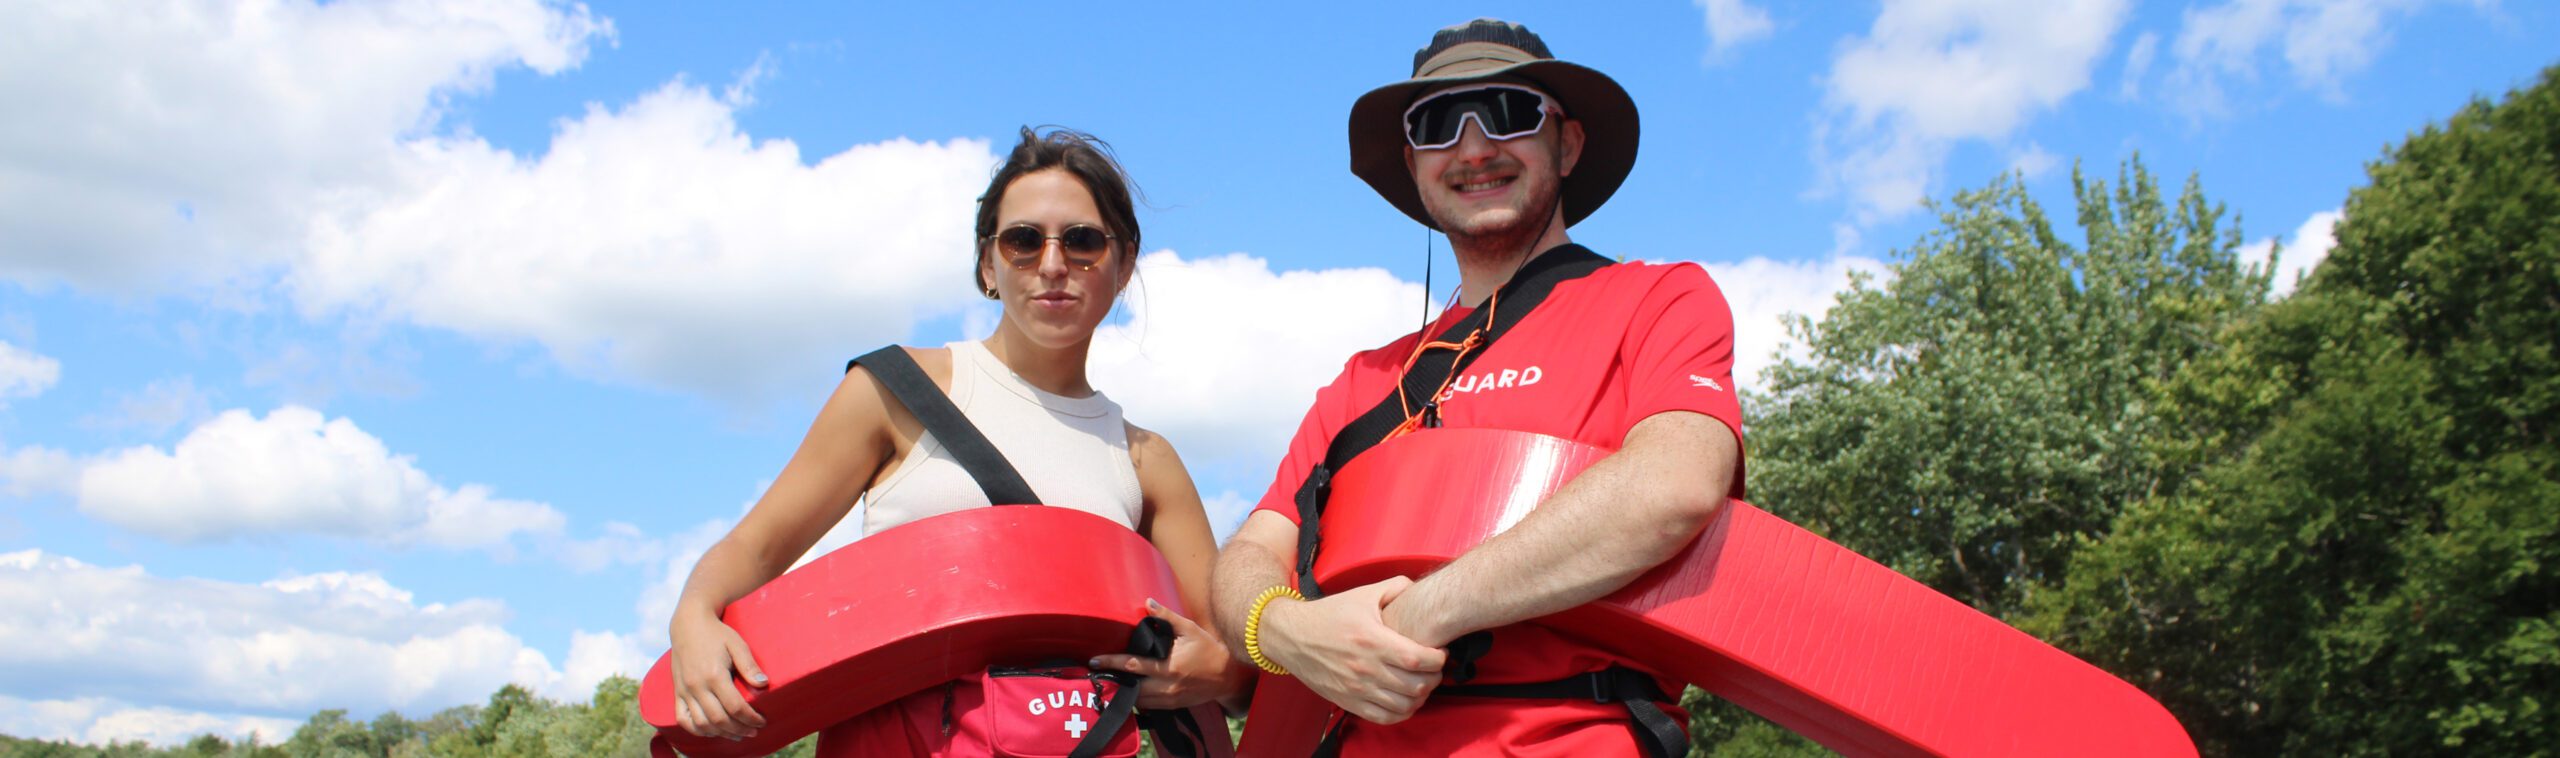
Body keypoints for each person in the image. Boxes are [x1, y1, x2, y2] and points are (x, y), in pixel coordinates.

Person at [1210, 19, 1746, 756]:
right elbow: (1246, 557)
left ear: (1568, 143)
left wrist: (1420, 618)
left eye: (1508, 113)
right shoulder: (1363, 377)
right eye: (1436, 124)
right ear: (1413, 163)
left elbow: (1673, 486)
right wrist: (1288, 630)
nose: (1472, 147)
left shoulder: (1659, 298)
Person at [666, 127, 1249, 749]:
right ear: (987, 264)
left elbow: (1230, 667)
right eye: (1023, 241)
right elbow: (754, 550)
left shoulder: (1147, 461)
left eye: (1082, 242)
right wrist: (693, 616)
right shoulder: (894, 391)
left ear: (1124, 263)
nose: (1053, 264)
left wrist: (1215, 670)